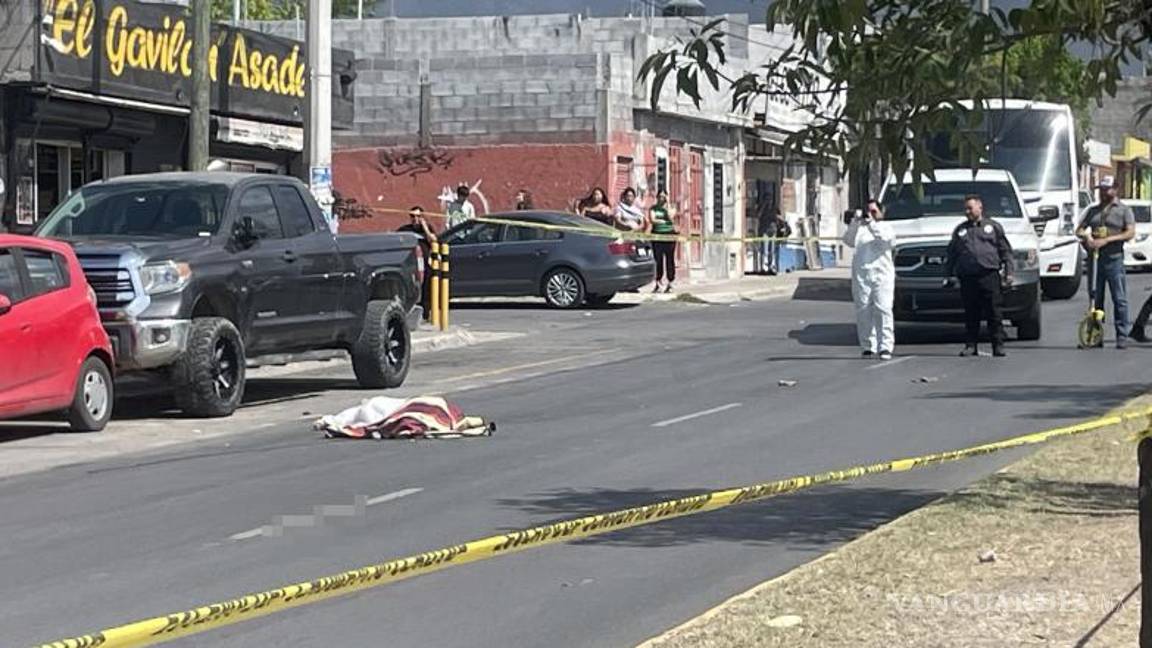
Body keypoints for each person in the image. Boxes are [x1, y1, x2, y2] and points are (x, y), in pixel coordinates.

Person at [944, 195, 1015, 358]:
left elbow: (1005, 251)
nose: (967, 211)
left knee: (994, 312)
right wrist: (948, 275)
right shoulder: (961, 230)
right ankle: (971, 345)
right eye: (966, 209)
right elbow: (952, 254)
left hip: (989, 275)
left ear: (979, 208)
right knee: (971, 313)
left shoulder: (993, 227)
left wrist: (1009, 272)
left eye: (970, 208)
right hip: (968, 277)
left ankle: (997, 345)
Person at [1078, 175, 1136, 348]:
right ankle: (1096, 335)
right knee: (1096, 299)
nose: (1103, 193)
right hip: (1095, 260)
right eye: (1101, 189)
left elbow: (1130, 233)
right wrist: (1086, 237)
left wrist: (1108, 240)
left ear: (1115, 189)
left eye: (1107, 189)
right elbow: (1079, 229)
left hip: (1114, 259)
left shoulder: (1124, 210)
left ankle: (1122, 335)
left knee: (1119, 299)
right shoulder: (1093, 211)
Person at [842, 200, 896, 359]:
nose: (870, 215)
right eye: (868, 211)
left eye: (874, 211)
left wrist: (872, 223)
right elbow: (848, 241)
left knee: (883, 309)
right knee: (863, 310)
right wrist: (855, 223)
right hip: (862, 274)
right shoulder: (861, 229)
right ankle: (867, 346)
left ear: (881, 212)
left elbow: (885, 240)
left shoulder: (887, 227)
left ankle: (885, 346)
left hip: (882, 275)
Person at [397, 206, 437, 321]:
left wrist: (425, 228)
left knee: (427, 288)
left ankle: (426, 313)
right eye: (412, 216)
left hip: (425, 264)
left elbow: (433, 240)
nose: (415, 219)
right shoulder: (405, 229)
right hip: (410, 264)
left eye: (418, 216)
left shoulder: (427, 229)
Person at [648, 189, 678, 293]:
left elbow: (670, 217)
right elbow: (652, 220)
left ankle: (670, 282)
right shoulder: (653, 208)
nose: (661, 198)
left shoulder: (672, 207)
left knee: (670, 259)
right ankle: (658, 281)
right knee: (658, 259)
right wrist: (662, 221)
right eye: (660, 196)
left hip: (669, 235)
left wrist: (667, 205)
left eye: (663, 196)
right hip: (657, 235)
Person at [760, 207, 791, 275]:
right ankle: (766, 267)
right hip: (767, 232)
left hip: (772, 233)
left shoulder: (775, 214)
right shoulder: (765, 211)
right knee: (766, 251)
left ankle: (771, 267)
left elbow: (785, 225)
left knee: (771, 251)